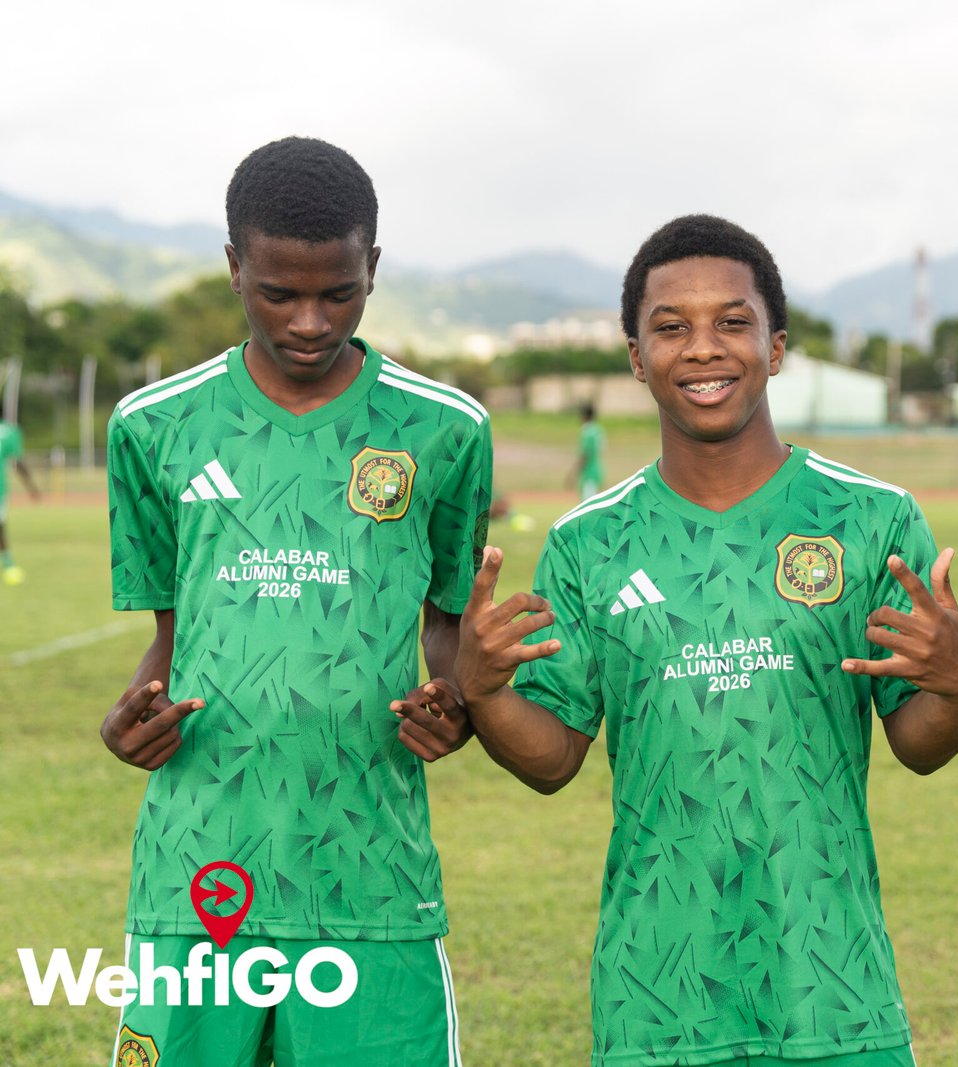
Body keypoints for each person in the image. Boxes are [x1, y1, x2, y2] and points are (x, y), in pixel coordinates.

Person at [455, 214, 958, 1067]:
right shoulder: (588, 542)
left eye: (733, 321)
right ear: (637, 358)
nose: (703, 347)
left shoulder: (872, 518)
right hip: (656, 1002)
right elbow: (553, 760)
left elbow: (920, 744)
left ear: (776, 347)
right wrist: (483, 691)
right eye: (671, 327)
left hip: (834, 994)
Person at [101, 136, 489, 1067]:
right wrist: (130, 723)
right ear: (235, 267)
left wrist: (456, 705)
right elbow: (173, 635)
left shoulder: (446, 429)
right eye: (279, 293)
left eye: (340, 293)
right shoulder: (153, 426)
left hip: (371, 875)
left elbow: (444, 630)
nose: (311, 321)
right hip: (198, 865)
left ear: (373, 268)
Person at [0, 418, 40, 584]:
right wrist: (32, 487)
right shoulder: (9, 432)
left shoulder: (9, 432)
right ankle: (8, 564)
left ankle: (8, 564)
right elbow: (18, 463)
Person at [568, 400, 606, 499]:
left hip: (589, 473)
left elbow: (585, 455)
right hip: (597, 470)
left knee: (588, 503)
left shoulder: (587, 432)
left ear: (585, 416)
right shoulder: (598, 430)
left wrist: (573, 473)